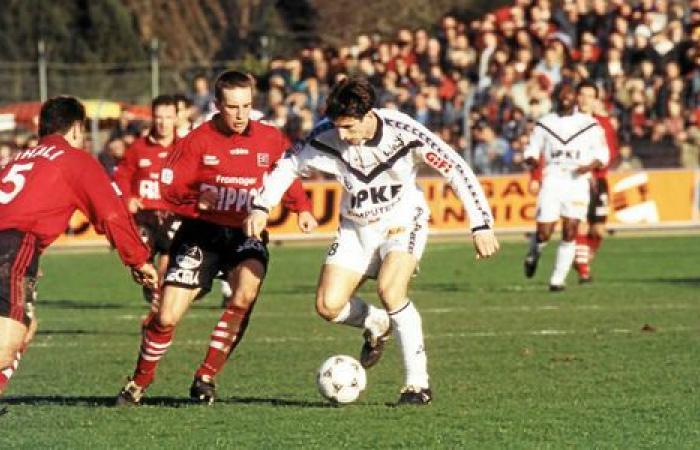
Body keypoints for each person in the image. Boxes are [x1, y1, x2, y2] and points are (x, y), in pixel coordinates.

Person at [244, 77, 499, 405]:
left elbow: (456, 168)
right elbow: (288, 166)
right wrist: (262, 206)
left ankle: (417, 384)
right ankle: (376, 321)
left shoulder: (404, 132)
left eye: (349, 128)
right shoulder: (326, 135)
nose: (343, 136)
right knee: (327, 306)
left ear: (368, 115)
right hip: (355, 228)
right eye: (338, 128)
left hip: (402, 221)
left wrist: (480, 224)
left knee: (391, 291)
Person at [116, 70, 317, 406]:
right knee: (165, 317)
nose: (240, 115)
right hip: (201, 234)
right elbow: (168, 187)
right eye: (232, 107)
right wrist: (195, 199)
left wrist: (303, 208)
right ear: (217, 105)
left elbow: (287, 175)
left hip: (244, 233)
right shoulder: (197, 140)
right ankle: (139, 380)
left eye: (247, 106)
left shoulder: (269, 137)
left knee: (244, 294)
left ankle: (206, 376)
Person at [0, 96, 158, 397]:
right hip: (13, 246)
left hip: (14, 249)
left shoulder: (18, 158)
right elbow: (111, 213)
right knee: (5, 348)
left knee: (27, 327)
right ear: (75, 129)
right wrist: (139, 260)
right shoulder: (73, 158)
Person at [523, 83, 609, 291]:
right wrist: (533, 160)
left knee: (570, 229)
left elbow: (602, 155)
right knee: (544, 232)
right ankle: (533, 254)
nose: (565, 99)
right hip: (552, 180)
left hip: (577, 182)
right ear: (556, 99)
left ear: (575, 100)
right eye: (562, 96)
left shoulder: (590, 124)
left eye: (569, 96)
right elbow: (532, 149)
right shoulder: (545, 123)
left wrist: (588, 167)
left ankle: (557, 280)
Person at [113, 95, 181, 302]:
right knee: (143, 261)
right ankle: (152, 288)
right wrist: (128, 198)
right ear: (152, 118)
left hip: (173, 213)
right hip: (144, 215)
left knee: (169, 256)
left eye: (168, 117)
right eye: (158, 117)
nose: (163, 123)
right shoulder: (138, 148)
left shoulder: (184, 148)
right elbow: (122, 175)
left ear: (176, 118)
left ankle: (160, 295)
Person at [571, 82, 618, 283]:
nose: (585, 99)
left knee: (598, 230)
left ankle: (583, 257)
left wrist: (596, 167)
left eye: (590, 96)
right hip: (576, 180)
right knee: (580, 224)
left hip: (598, 180)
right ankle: (584, 271)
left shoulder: (602, 123)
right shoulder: (568, 121)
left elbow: (612, 151)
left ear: (596, 100)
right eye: (581, 94)